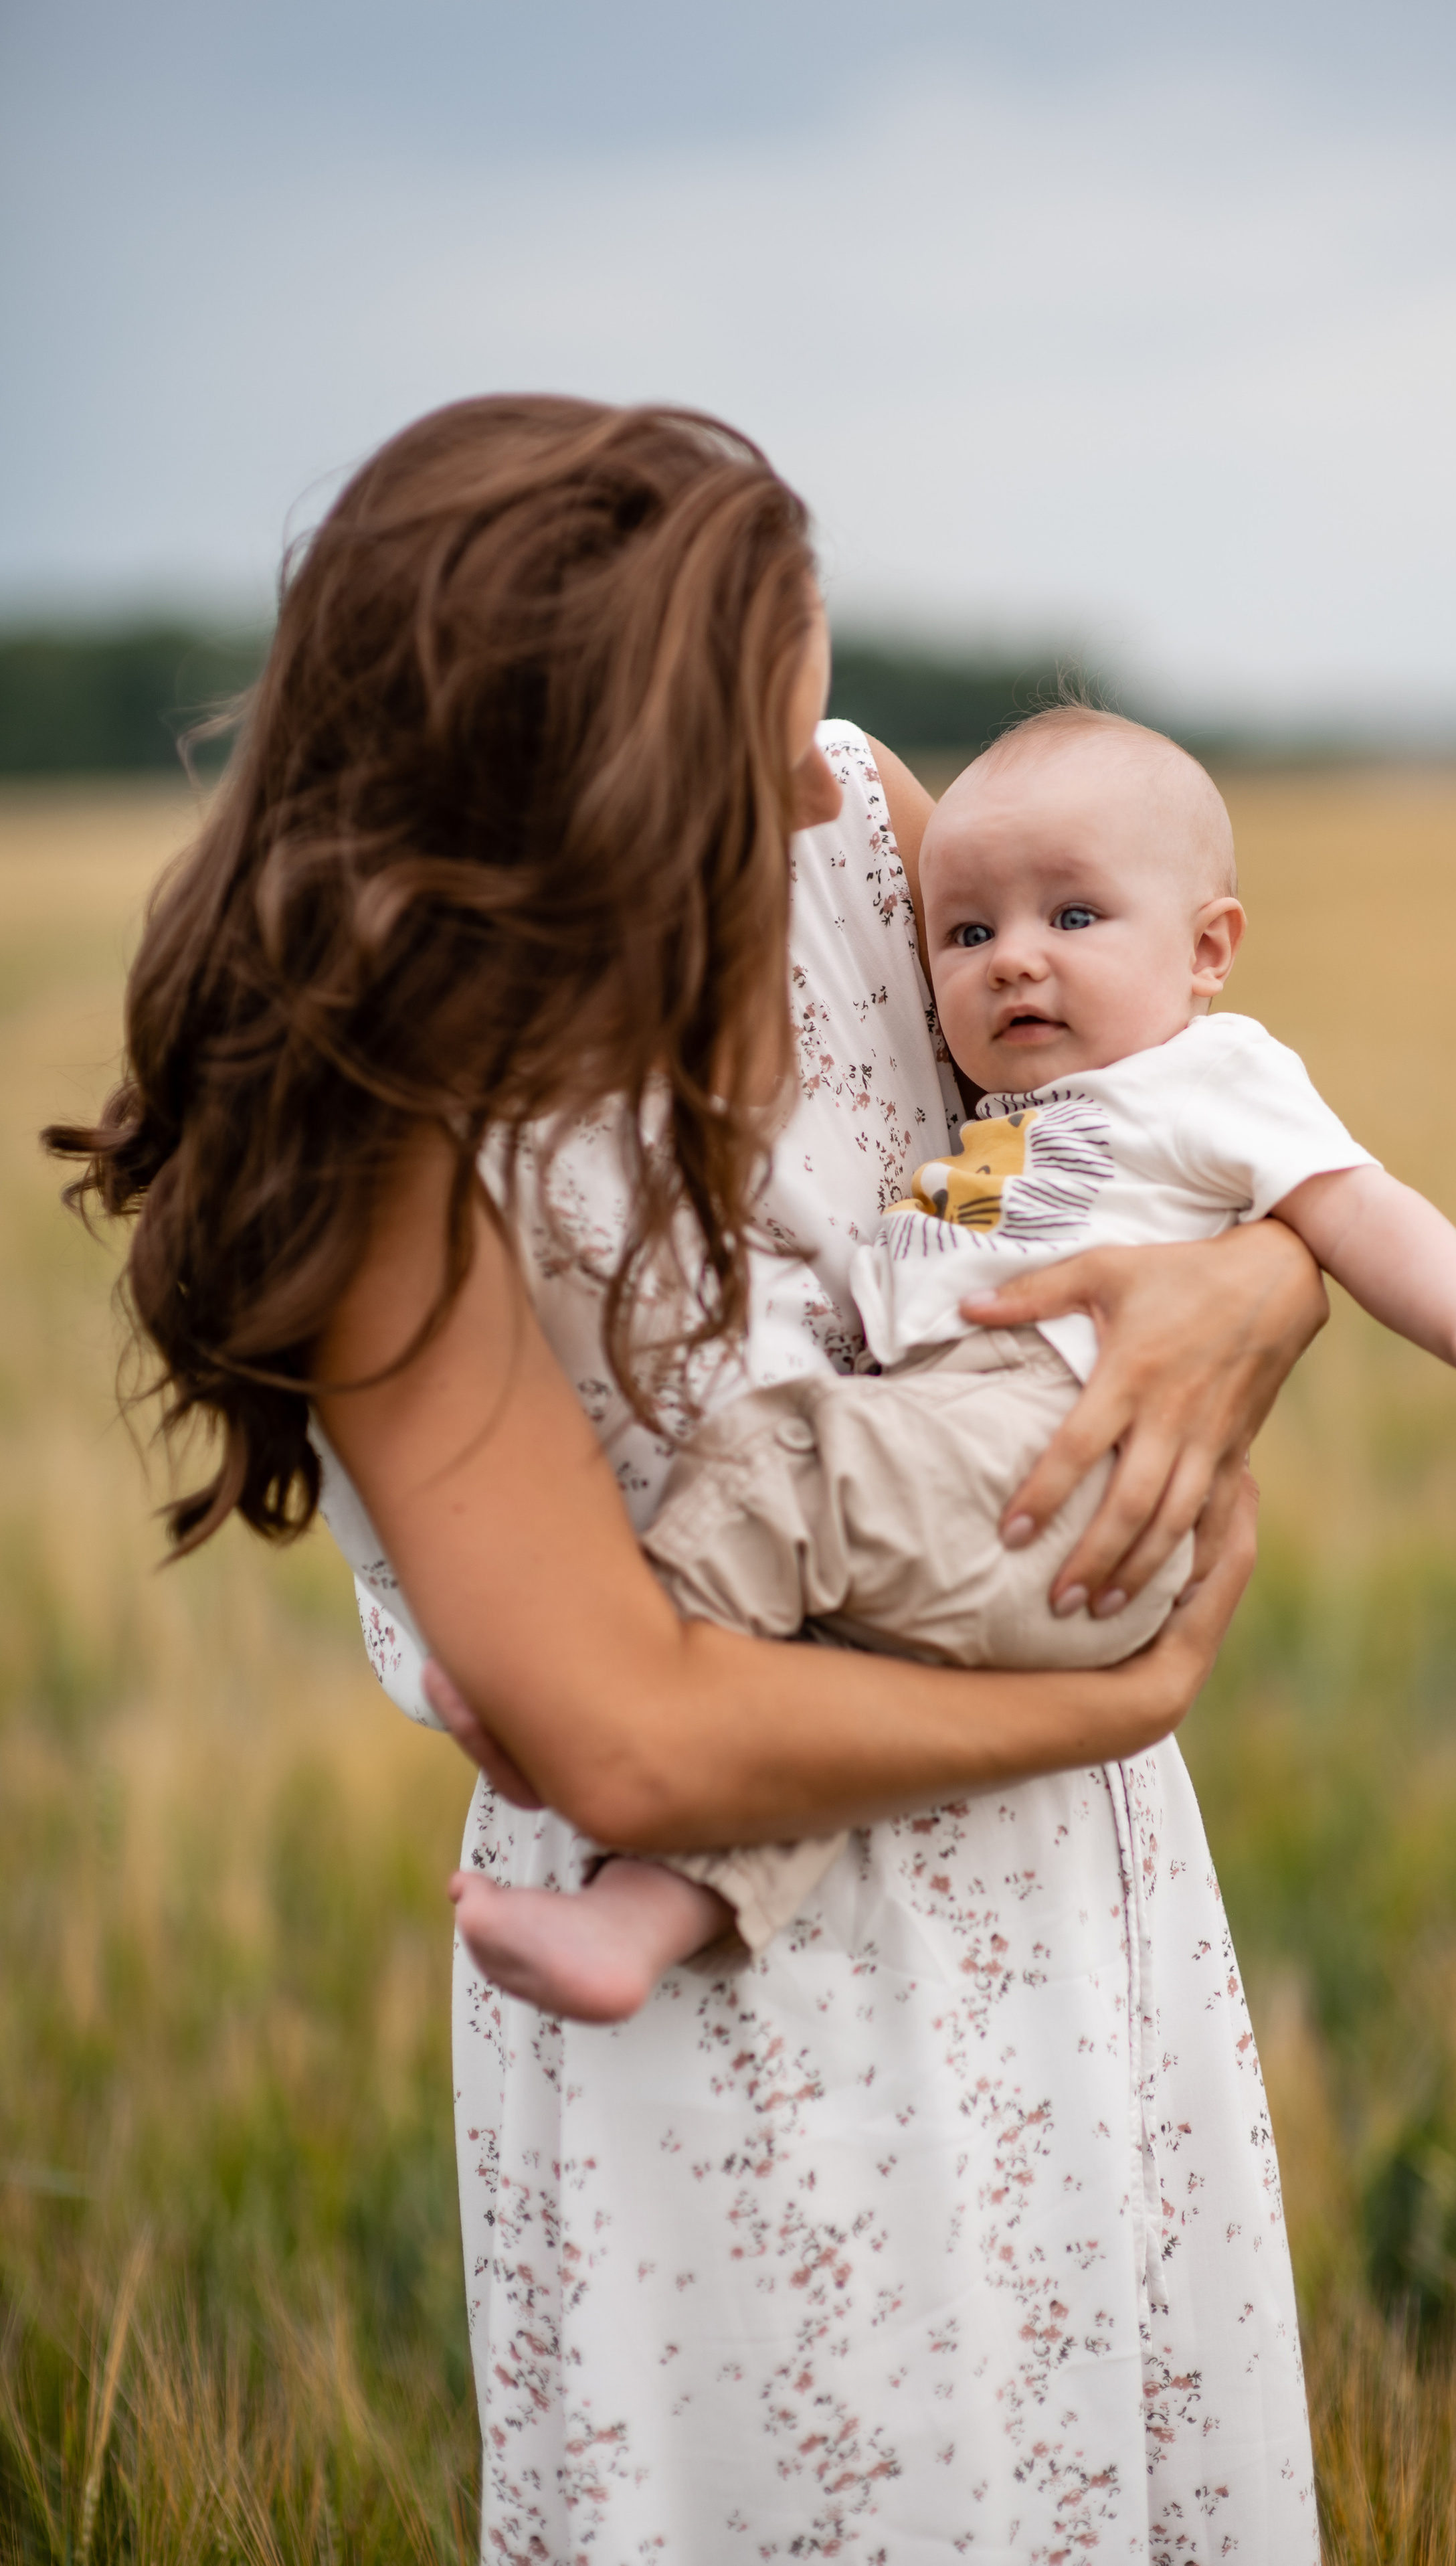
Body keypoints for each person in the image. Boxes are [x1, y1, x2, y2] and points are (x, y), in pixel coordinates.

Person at [50, 394, 1334, 2562]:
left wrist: (1268, 1286)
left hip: (1083, 1930)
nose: (816, 782)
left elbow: (1166, 1120)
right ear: (570, 786)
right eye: (748, 737)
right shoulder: (393, 1143)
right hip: (753, 2028)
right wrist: (1112, 1705)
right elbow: (630, 1732)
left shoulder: (850, 825)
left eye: (812, 698)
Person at [444, 704, 1456, 2019]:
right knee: (824, 1667)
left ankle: (570, 1683)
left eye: (1073, 920)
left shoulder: (1213, 1074)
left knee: (779, 1455)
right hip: (968, 1461)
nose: (1011, 963)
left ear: (1208, 949)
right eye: (967, 934)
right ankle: (647, 1914)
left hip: (1072, 1459)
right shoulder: (1001, 1116)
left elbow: (1351, 1206)